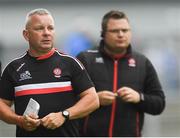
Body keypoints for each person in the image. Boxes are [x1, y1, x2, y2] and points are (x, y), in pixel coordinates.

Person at [0, 8, 99, 137]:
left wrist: (64, 115)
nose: (46, 33)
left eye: (50, 28)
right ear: (26, 34)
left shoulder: (70, 63)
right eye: (39, 28)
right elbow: (2, 105)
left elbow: (92, 99)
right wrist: (20, 121)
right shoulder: (13, 68)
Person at [77, 10, 165, 137]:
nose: (121, 34)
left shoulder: (142, 62)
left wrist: (139, 97)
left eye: (125, 30)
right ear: (103, 34)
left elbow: (159, 104)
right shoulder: (86, 59)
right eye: (114, 31)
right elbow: (66, 99)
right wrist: (94, 99)